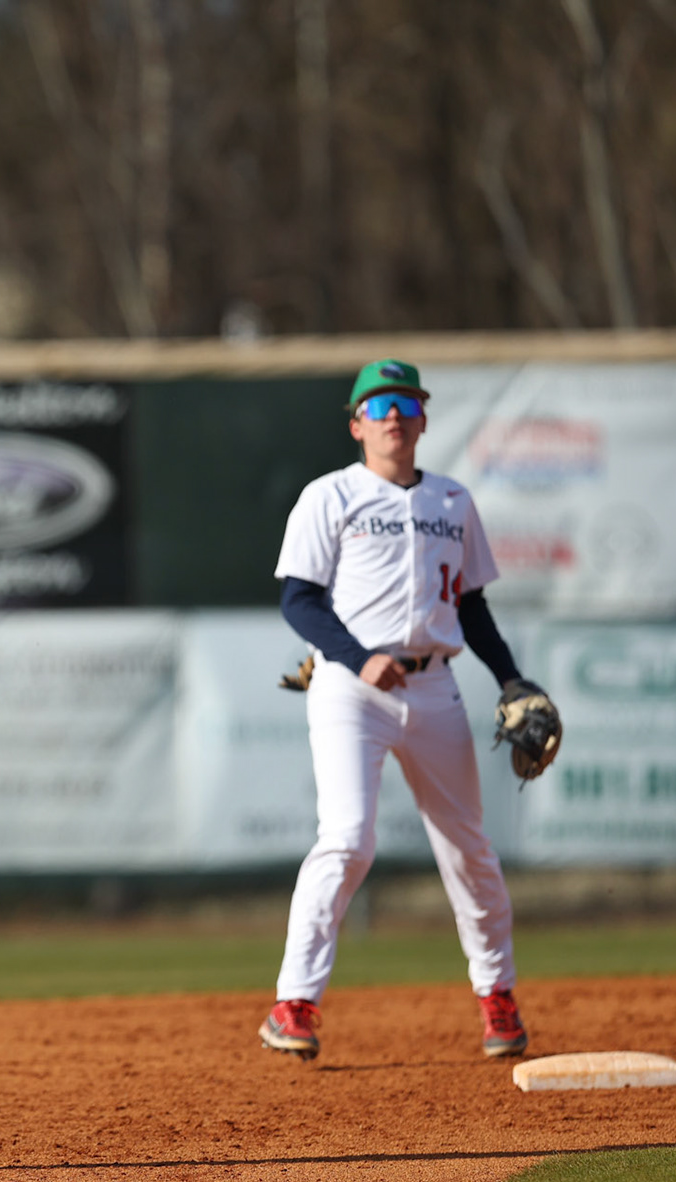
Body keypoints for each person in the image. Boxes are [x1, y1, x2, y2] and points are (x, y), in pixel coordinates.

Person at [259, 359, 535, 1062]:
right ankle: (294, 1003)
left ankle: (496, 997)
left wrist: (511, 681)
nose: (392, 415)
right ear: (357, 424)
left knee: (467, 846)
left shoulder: (452, 501)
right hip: (353, 689)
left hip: (435, 686)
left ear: (422, 420)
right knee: (348, 838)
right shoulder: (330, 496)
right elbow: (299, 599)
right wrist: (354, 658)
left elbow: (471, 607)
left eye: (405, 403)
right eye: (377, 405)